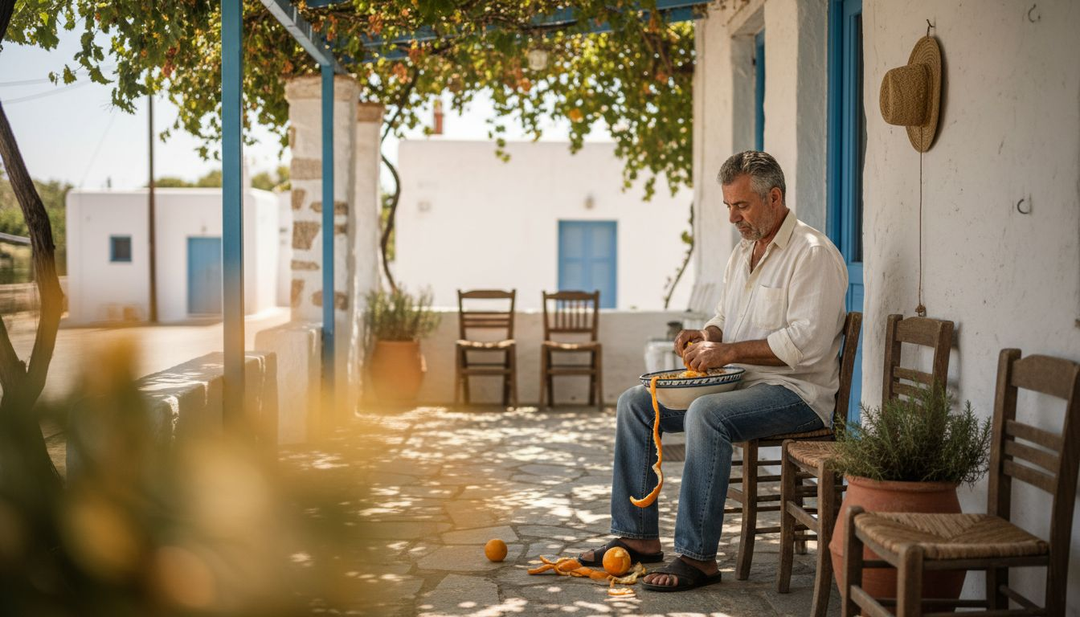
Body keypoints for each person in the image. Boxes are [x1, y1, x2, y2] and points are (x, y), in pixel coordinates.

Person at [578, 151, 848, 592]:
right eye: (727, 206)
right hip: (744, 385)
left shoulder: (812, 254)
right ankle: (638, 536)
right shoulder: (743, 253)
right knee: (635, 403)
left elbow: (806, 344)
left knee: (707, 413)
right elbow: (724, 317)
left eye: (740, 206)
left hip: (797, 395)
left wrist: (725, 352)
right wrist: (703, 334)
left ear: (775, 197)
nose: (732, 218)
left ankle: (697, 558)